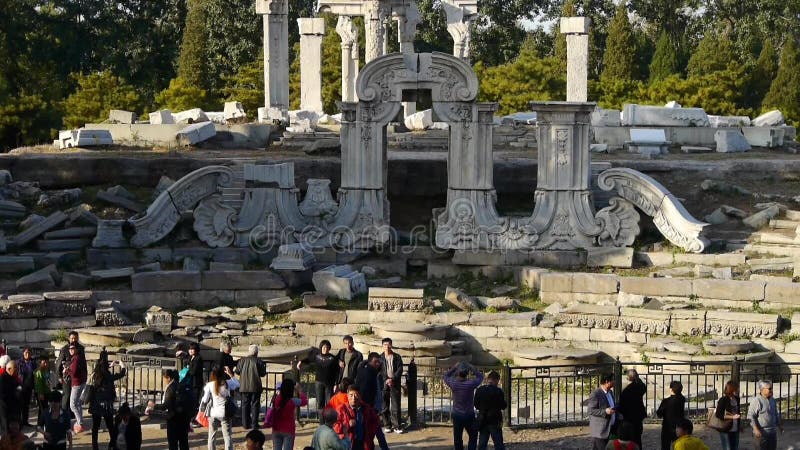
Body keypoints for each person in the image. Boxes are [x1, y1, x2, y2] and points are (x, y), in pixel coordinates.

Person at [88, 352, 127, 450]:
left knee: (95, 427)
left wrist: (110, 366)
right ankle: (113, 445)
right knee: (110, 426)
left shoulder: (96, 371)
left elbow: (102, 371)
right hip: (106, 404)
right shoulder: (106, 374)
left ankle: (95, 447)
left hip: (95, 403)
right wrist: (122, 366)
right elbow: (120, 375)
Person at [444, 362, 484, 450]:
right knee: (473, 436)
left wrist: (454, 367)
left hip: (457, 414)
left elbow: (446, 376)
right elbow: (481, 377)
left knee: (457, 437)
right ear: (467, 373)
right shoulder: (470, 384)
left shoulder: (453, 384)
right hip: (469, 414)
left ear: (458, 373)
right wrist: (472, 367)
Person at [200, 367, 238, 450]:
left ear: (212, 374)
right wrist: (230, 374)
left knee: (212, 436)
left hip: (213, 413)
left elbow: (205, 400)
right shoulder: (227, 383)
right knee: (227, 436)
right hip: (225, 413)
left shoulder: (210, 384)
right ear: (223, 374)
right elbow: (237, 384)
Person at [355, 354, 388, 450]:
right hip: (368, 407)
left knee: (373, 430)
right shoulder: (368, 373)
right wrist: (368, 407)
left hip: (369, 407)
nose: (378, 364)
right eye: (375, 362)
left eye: (379, 362)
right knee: (372, 430)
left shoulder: (368, 370)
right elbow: (364, 391)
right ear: (370, 362)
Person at [302, 340, 339, 423]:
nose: (325, 349)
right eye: (324, 347)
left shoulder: (332, 358)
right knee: (320, 403)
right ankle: (322, 422)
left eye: (327, 347)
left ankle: (329, 422)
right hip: (319, 382)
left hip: (329, 384)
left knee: (330, 403)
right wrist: (300, 362)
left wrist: (336, 383)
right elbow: (308, 359)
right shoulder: (316, 356)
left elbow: (337, 372)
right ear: (321, 347)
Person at [271, 378, 308, 450]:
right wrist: (300, 391)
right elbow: (304, 401)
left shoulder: (276, 398)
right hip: (288, 429)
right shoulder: (293, 401)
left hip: (276, 428)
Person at [236, 344, 267, 429]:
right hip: (255, 386)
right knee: (255, 406)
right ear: (256, 352)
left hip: (244, 386)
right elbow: (263, 373)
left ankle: (245, 424)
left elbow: (237, 371)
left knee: (245, 405)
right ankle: (254, 424)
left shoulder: (242, 360)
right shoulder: (259, 361)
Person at [474, 370, 506, 450]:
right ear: (496, 380)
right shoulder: (498, 391)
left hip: (483, 419)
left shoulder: (480, 390)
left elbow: (476, 405)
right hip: (495, 419)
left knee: (482, 443)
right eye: (498, 381)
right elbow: (503, 406)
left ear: (488, 379)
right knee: (498, 443)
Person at [747, 380, 783, 450]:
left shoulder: (772, 400)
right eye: (769, 388)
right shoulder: (757, 400)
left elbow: (775, 413)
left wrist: (779, 425)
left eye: (771, 388)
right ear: (762, 390)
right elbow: (751, 416)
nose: (771, 390)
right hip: (761, 433)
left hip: (772, 432)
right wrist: (756, 429)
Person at [55, 332, 85, 413]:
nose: (74, 340)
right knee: (67, 395)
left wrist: (84, 376)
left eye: (75, 338)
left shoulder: (81, 349)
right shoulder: (65, 349)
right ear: (69, 339)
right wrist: (59, 376)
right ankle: (64, 414)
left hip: (78, 377)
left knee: (75, 398)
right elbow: (59, 363)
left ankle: (72, 414)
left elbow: (83, 363)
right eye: (72, 338)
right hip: (67, 376)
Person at [588, 373, 619, 450]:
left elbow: (611, 405)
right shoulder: (596, 394)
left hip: (609, 428)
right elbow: (591, 410)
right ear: (607, 381)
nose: (614, 382)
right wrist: (605, 411)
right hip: (600, 431)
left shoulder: (610, 392)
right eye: (613, 380)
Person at [379, 338, 403, 434]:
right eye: (385, 344)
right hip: (384, 384)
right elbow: (379, 371)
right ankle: (387, 425)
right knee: (384, 405)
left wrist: (393, 379)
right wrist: (386, 379)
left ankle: (397, 426)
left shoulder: (397, 357)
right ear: (382, 346)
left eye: (389, 344)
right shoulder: (380, 357)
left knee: (395, 405)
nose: (387, 346)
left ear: (391, 345)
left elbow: (400, 369)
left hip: (395, 383)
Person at [617, 369, 646, 449]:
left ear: (628, 378)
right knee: (638, 440)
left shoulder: (625, 391)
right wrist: (637, 378)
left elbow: (621, 407)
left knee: (629, 441)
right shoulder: (640, 387)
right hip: (638, 418)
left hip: (628, 419)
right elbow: (643, 386)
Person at [162, 369, 190, 450]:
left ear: (169, 378)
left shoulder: (170, 388)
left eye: (164, 378)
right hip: (184, 418)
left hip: (173, 419)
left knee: (173, 444)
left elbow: (165, 405)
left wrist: (153, 406)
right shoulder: (183, 387)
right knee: (184, 443)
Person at [63, 344, 87, 433]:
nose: (71, 350)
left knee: (72, 405)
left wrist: (66, 370)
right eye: (70, 349)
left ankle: (80, 423)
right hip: (81, 382)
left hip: (77, 383)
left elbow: (74, 372)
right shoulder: (78, 358)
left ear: (76, 349)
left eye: (73, 348)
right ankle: (79, 422)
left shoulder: (76, 359)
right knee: (78, 404)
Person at [657, 380, 686, 450]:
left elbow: (659, 414)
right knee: (678, 446)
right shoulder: (682, 399)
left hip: (667, 427)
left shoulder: (666, 401)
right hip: (678, 426)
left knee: (665, 446)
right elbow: (679, 395)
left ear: (671, 389)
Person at [715, 380, 741, 450]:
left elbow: (738, 412)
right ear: (732, 389)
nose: (738, 389)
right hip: (726, 428)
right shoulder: (723, 399)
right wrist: (732, 417)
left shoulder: (737, 399)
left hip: (735, 428)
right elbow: (718, 414)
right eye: (737, 387)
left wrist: (740, 425)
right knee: (727, 448)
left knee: (735, 447)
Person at [0, 359, 22, 436]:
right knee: (6, 429)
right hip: (5, 408)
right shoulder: (2, 378)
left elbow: (18, 387)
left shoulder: (13, 378)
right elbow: (2, 394)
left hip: (13, 410)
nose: (17, 370)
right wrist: (14, 393)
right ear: (9, 369)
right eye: (15, 368)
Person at [16, 348, 36, 428]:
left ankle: (25, 421)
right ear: (23, 353)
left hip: (29, 386)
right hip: (21, 386)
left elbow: (35, 372)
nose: (28, 354)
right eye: (26, 353)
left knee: (26, 405)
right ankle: (19, 422)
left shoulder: (33, 362)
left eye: (29, 353)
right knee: (20, 405)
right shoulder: (19, 362)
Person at [34, 356, 52, 427]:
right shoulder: (38, 371)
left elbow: (47, 381)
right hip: (41, 392)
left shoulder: (46, 370)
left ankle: (43, 422)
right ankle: (40, 424)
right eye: (44, 363)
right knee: (42, 409)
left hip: (46, 391)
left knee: (45, 408)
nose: (46, 364)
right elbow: (39, 384)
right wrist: (40, 393)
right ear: (40, 363)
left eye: (47, 362)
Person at [186, 343, 205, 409]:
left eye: (192, 349)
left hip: (196, 382)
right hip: (190, 381)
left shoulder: (198, 358)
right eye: (189, 349)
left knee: (195, 399)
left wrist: (187, 370)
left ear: (196, 350)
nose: (190, 351)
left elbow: (193, 371)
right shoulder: (190, 357)